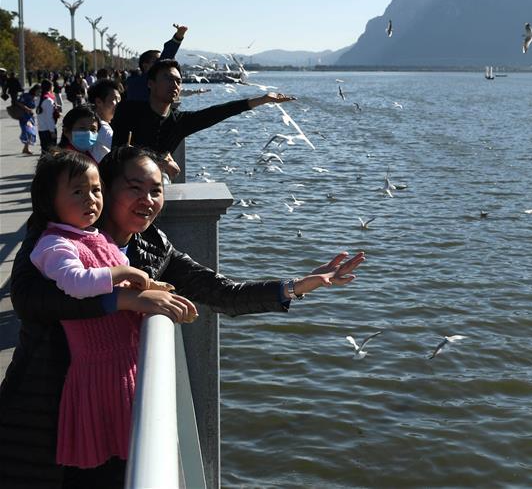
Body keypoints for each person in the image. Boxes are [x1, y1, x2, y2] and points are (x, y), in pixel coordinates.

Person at [0, 145, 366, 488]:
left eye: (156, 190)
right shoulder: (51, 240)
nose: (148, 200)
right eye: (135, 188)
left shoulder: (154, 246)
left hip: (111, 406)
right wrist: (125, 299)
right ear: (106, 189)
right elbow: (33, 301)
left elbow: (223, 292)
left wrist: (296, 286)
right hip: (42, 404)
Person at [26, 150, 173, 478]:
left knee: (130, 457)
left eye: (95, 190)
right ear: (50, 200)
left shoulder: (93, 236)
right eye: (77, 191)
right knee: (102, 468)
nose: (90, 199)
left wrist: (150, 285)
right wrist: (121, 275)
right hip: (97, 378)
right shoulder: (54, 244)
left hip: (120, 369)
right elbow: (76, 284)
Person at [111, 59, 295, 179]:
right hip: (123, 186)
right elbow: (118, 152)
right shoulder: (129, 110)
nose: (174, 84)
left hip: (154, 191)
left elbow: (219, 112)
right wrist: (160, 161)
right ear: (151, 83)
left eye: (178, 80)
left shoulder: (178, 122)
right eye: (167, 78)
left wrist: (262, 100)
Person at [124, 24, 187, 102]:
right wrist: (177, 37)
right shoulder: (143, 82)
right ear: (145, 65)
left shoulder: (132, 82)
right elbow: (167, 55)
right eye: (157, 61)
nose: (162, 64)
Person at [86, 79, 120, 162]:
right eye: (115, 99)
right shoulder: (100, 126)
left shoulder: (89, 120)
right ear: (98, 102)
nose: (119, 104)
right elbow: (123, 150)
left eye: (119, 100)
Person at [36, 80, 60, 153]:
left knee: (44, 152)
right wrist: (52, 131)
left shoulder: (39, 99)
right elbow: (50, 118)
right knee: (52, 152)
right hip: (48, 130)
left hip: (41, 129)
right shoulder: (49, 100)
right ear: (50, 88)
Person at [15, 85, 40, 155]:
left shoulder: (35, 97)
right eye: (39, 91)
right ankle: (26, 148)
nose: (40, 92)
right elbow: (18, 102)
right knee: (28, 131)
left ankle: (26, 148)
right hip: (24, 117)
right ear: (35, 90)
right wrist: (27, 109)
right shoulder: (26, 95)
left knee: (30, 132)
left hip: (30, 117)